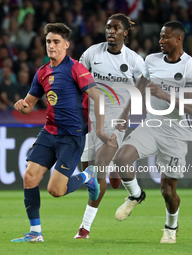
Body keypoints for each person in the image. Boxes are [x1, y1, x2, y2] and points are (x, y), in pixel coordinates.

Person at [11, 23, 114, 243]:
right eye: (48, 41)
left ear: (66, 45)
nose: (51, 45)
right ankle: (35, 233)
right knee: (29, 177)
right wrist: (22, 105)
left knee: (56, 190)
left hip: (71, 136)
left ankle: (89, 176)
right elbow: (30, 105)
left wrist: (100, 130)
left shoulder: (76, 69)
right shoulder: (42, 72)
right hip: (49, 132)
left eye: (56, 41)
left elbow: (99, 98)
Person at [113, 21, 192, 244]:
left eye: (166, 37)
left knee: (167, 192)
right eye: (160, 37)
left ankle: (171, 226)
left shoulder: (190, 67)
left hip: (176, 133)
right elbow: (139, 89)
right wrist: (125, 115)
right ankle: (135, 194)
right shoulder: (151, 60)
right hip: (151, 125)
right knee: (121, 158)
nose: (160, 41)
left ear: (178, 39)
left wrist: (165, 96)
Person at [74, 13, 145, 239]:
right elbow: (76, 78)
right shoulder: (92, 53)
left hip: (117, 122)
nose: (111, 31)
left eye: (116, 28)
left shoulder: (134, 60)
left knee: (97, 169)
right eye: (108, 27)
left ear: (125, 32)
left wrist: (126, 116)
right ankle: (135, 193)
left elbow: (141, 90)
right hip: (93, 120)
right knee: (86, 168)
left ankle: (84, 229)